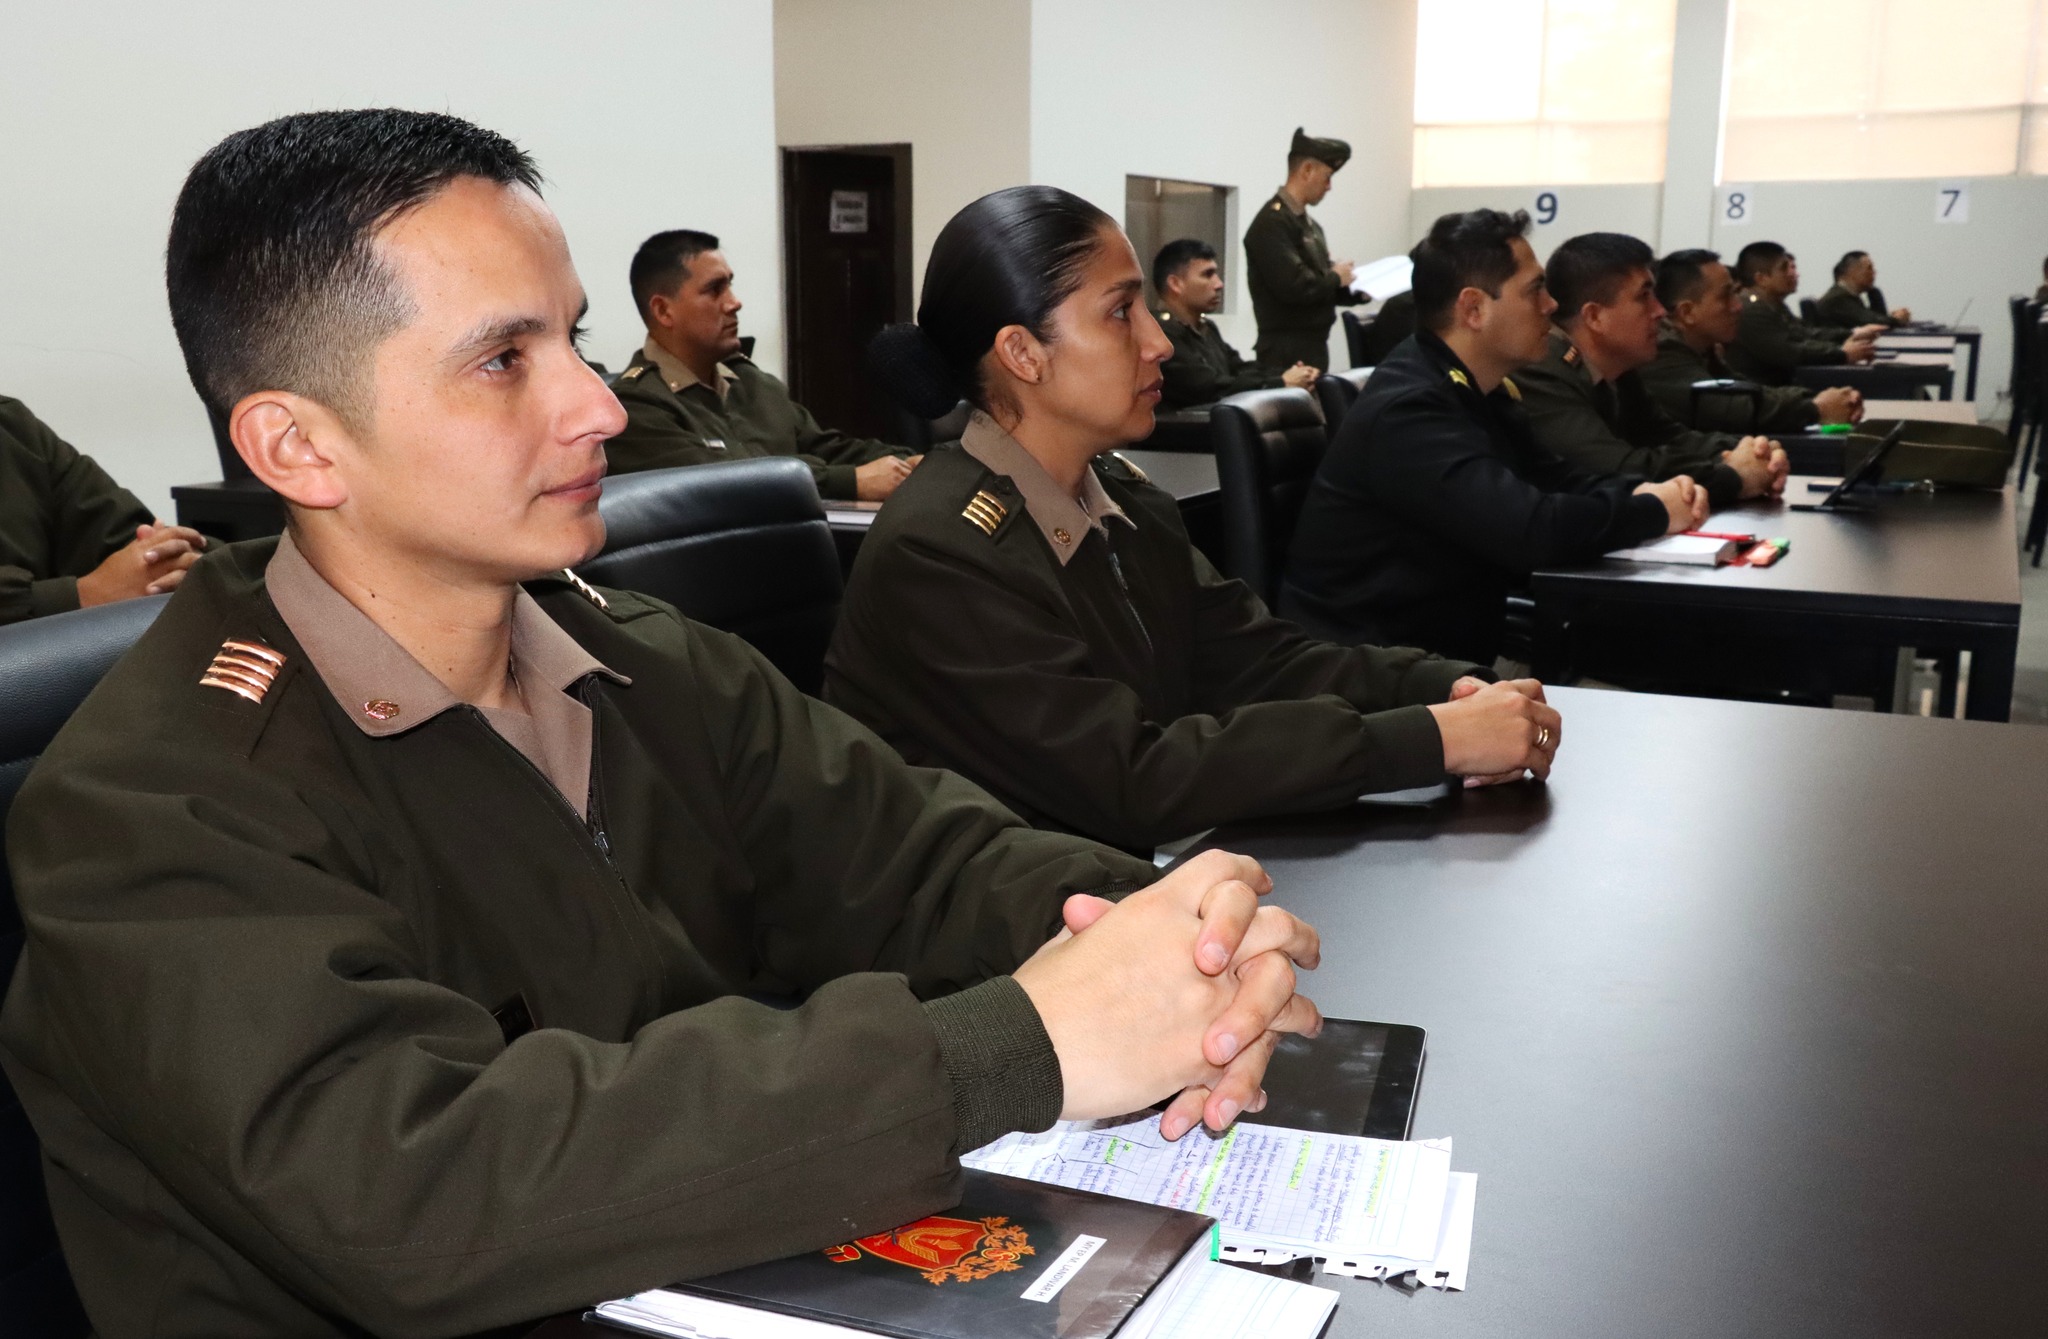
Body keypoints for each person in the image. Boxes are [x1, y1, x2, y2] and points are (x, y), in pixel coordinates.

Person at [0, 110, 1324, 1337]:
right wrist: (1010, 1048)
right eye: (505, 360)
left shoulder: (640, 660)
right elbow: (417, 1193)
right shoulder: (150, 803)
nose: (597, 405)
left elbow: (918, 857)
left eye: (573, 339)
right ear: (297, 447)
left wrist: (1163, 937)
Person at [827, 189, 1561, 857]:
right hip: (980, 938)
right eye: (1121, 312)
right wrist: (1428, 741)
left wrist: (1451, 689)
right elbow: (1132, 779)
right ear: (1022, 353)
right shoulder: (941, 549)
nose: (1160, 343)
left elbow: (1262, 662)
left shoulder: (1125, 502)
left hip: (1099, 888)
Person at [1279, 209, 1703, 667]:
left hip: (1440, 652)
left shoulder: (1475, 387)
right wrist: (1653, 511)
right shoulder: (1411, 410)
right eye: (1535, 290)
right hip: (1375, 672)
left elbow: (1555, 478)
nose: (1551, 305)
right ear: (1474, 309)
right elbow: (1530, 531)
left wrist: (1645, 491)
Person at [607, 230, 917, 501]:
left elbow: (828, 448)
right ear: (663, 311)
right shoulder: (633, 407)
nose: (734, 303)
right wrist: (849, 481)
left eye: (730, 286)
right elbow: (726, 481)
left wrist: (909, 463)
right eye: (715, 290)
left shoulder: (753, 383)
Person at [1515, 232, 1787, 508]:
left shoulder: (1617, 367)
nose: (1660, 311)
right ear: (1595, 316)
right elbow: (1616, 468)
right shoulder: (1543, 370)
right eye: (1644, 296)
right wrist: (1732, 477)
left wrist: (1755, 452)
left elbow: (1669, 436)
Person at [1, 395, 207, 623]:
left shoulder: (11, 426)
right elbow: (102, 589)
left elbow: (119, 532)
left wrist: (168, 557)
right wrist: (80, 596)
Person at [1640, 249, 1862, 435]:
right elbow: (1731, 410)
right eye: (1725, 296)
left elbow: (1746, 390)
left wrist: (1818, 399)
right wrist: (1815, 408)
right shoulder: (1661, 351)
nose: (1738, 306)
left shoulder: (1701, 347)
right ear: (1687, 312)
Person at [1242, 128, 1368, 372]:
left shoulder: (1310, 226)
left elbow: (1320, 287)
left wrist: (1357, 289)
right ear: (1307, 170)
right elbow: (1295, 286)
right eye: (1327, 177)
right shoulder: (1272, 223)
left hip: (1314, 345)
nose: (1329, 186)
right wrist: (1335, 277)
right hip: (1285, 351)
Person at [1153, 238, 1316, 408]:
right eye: (1207, 275)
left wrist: (1295, 374)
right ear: (1175, 284)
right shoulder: (1159, 333)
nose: (1219, 284)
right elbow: (1206, 386)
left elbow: (1239, 368)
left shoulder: (1206, 327)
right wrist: (1280, 382)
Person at [1725, 241, 1881, 386]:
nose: (1793, 273)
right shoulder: (1750, 309)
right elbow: (1789, 351)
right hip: (1766, 390)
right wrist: (1841, 353)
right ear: (1762, 278)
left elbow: (1803, 334)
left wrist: (1850, 336)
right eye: (1784, 268)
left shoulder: (1771, 304)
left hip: (1784, 384)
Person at [1816, 250, 1910, 329]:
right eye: (1869, 268)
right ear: (1852, 271)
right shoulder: (1838, 299)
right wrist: (1896, 320)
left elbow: (1875, 317)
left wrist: (1874, 293)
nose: (1874, 273)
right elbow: (1872, 322)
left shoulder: (1848, 297)